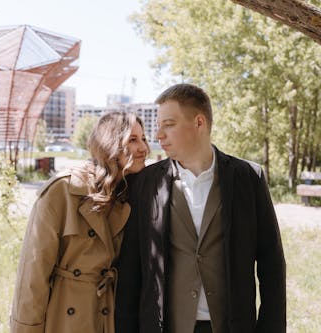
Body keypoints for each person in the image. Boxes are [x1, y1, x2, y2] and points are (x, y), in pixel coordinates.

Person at [115, 84, 286, 333]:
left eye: (169, 124)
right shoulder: (145, 183)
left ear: (199, 122)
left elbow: (272, 264)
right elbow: (131, 270)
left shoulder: (248, 177)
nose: (159, 135)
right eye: (159, 124)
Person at [10, 111, 149, 333]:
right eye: (133, 140)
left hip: (115, 315)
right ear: (109, 144)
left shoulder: (135, 192)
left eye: (144, 139)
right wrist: (26, 329)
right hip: (67, 317)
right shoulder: (63, 191)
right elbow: (33, 273)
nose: (144, 148)